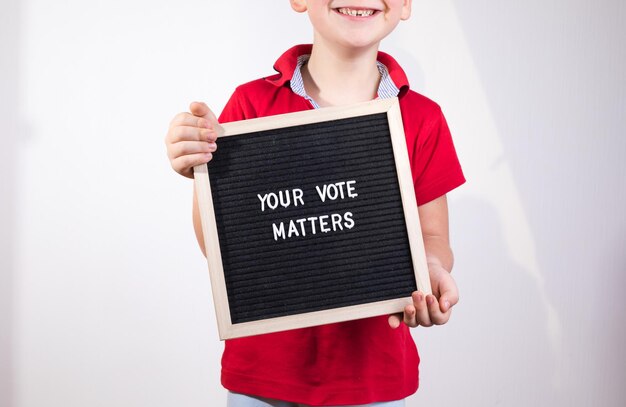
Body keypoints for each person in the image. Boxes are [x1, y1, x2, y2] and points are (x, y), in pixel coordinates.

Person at [165, 1, 465, 406]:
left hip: (373, 377)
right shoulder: (251, 104)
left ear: (406, 5)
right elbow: (225, 250)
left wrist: (430, 270)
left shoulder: (423, 118)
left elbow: (432, 235)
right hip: (264, 375)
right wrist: (204, 172)